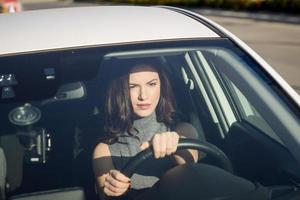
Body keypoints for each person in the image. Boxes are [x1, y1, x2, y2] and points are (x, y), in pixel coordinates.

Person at [92, 57, 199, 199]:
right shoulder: (104, 150)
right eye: (132, 86)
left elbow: (191, 165)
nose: (143, 95)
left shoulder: (182, 129)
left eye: (151, 84)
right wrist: (112, 189)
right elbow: (107, 197)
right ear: (119, 90)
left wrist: (177, 144)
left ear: (162, 86)